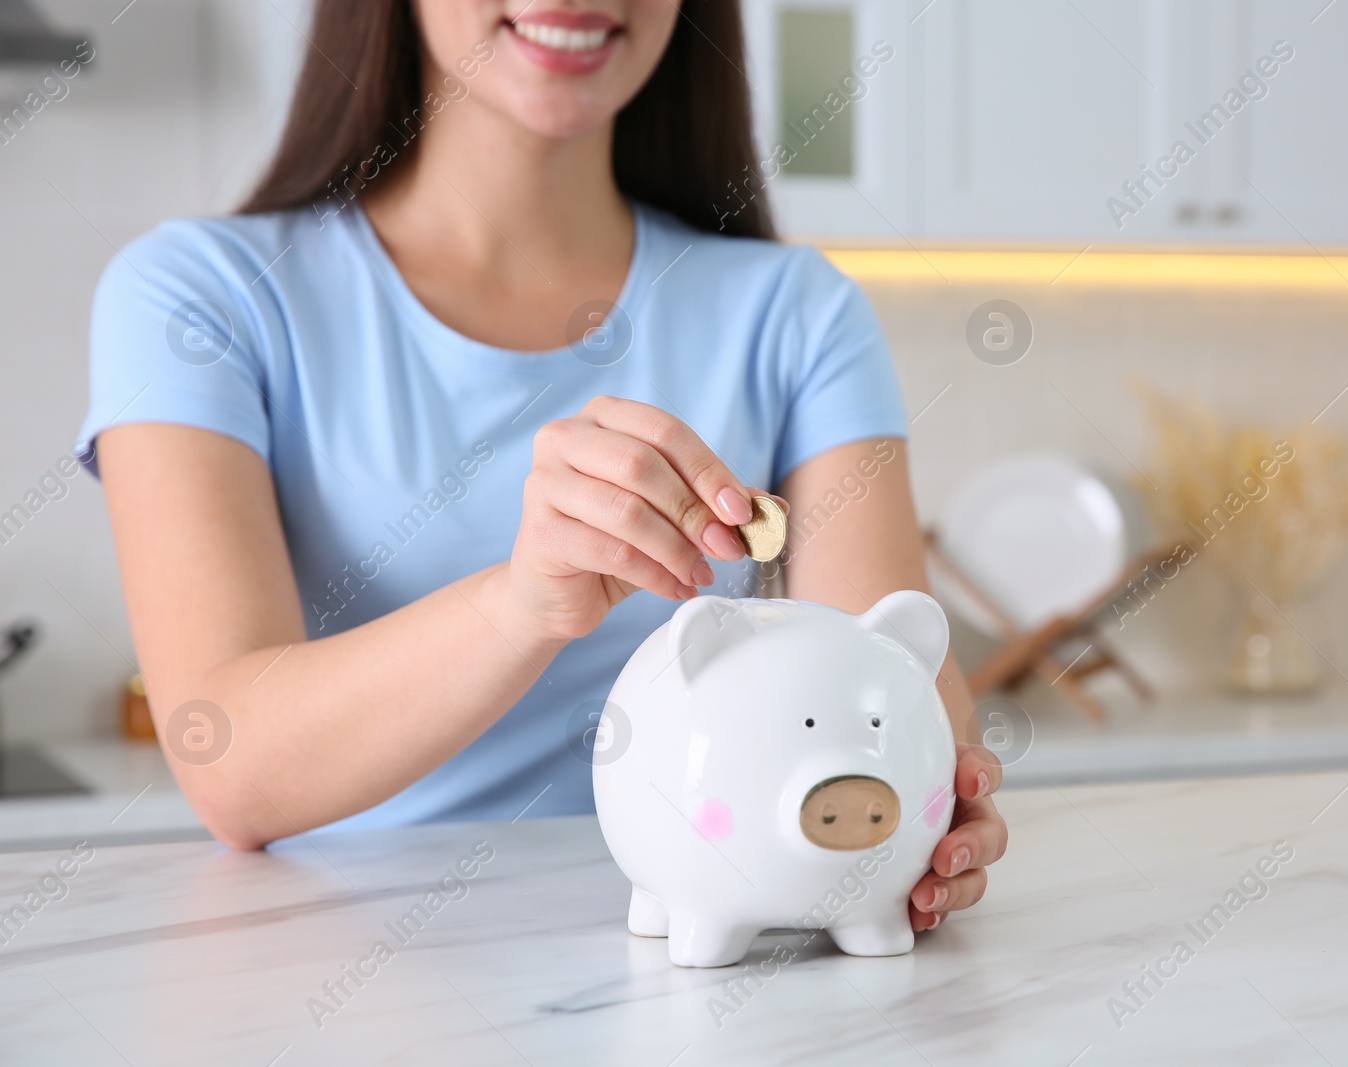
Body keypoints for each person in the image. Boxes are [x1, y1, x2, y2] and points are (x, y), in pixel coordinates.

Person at [79, 0, 1004, 935]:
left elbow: (885, 662)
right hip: (344, 963)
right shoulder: (197, 298)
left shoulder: (799, 313)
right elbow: (228, 766)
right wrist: (523, 605)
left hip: (708, 956)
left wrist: (933, 795)